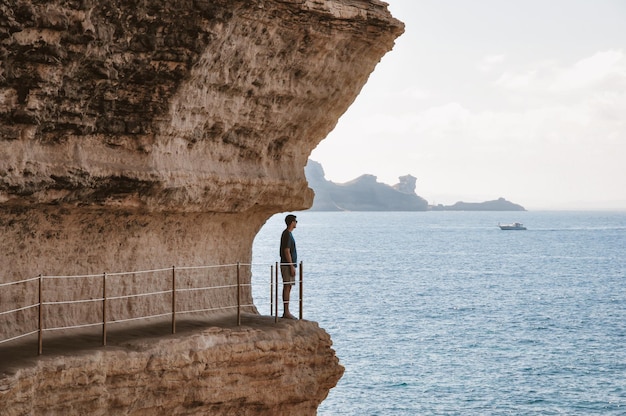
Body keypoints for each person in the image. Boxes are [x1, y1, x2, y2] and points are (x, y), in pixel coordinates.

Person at [279, 214, 298, 319]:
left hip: (287, 264)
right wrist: (291, 266)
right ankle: (286, 312)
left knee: (288, 286)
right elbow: (287, 251)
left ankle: (286, 311)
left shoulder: (288, 234)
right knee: (287, 287)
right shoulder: (287, 234)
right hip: (287, 265)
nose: (296, 223)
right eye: (296, 221)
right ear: (292, 222)